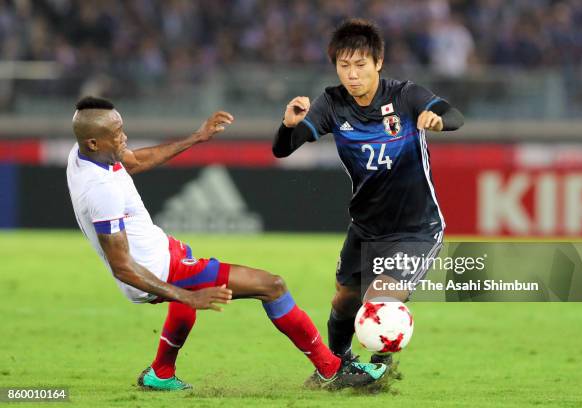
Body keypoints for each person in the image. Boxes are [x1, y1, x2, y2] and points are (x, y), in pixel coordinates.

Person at [66, 96, 387, 391]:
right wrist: (185, 294)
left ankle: (160, 373)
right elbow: (122, 267)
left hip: (161, 251)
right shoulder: (100, 190)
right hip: (156, 270)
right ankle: (331, 369)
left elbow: (133, 161)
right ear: (94, 141)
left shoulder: (85, 154)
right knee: (272, 285)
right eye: (117, 133)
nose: (124, 137)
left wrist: (196, 137)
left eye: (122, 128)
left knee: (189, 272)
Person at [273, 18, 464, 373]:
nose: (352, 74)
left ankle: (380, 367)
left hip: (416, 229)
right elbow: (283, 150)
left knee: (380, 299)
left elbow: (454, 115)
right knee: (344, 300)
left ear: (378, 63)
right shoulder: (331, 103)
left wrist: (439, 121)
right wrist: (288, 126)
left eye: (360, 64)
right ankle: (335, 366)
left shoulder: (405, 95)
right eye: (344, 66)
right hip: (365, 227)